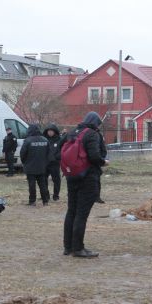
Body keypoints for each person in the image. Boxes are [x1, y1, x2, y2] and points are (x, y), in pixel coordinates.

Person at [62, 111, 108, 258]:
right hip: (87, 177)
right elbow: (95, 156)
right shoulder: (92, 134)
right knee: (81, 214)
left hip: (72, 176)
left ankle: (68, 247)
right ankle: (78, 248)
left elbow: (60, 152)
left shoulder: (72, 132)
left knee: (71, 211)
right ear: (96, 123)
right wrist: (103, 162)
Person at [19, 124, 51, 206]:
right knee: (43, 184)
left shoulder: (27, 140)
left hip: (30, 166)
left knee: (32, 185)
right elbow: (49, 154)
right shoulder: (45, 140)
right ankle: (45, 201)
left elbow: (22, 154)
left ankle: (32, 201)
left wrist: (25, 162)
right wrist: (45, 163)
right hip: (42, 167)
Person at [43, 124, 62, 200]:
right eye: (48, 131)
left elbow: (62, 150)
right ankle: (46, 195)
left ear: (55, 131)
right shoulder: (44, 139)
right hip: (45, 163)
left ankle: (56, 195)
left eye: (51, 131)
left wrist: (57, 158)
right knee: (44, 179)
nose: (50, 132)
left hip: (55, 163)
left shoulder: (59, 140)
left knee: (56, 180)